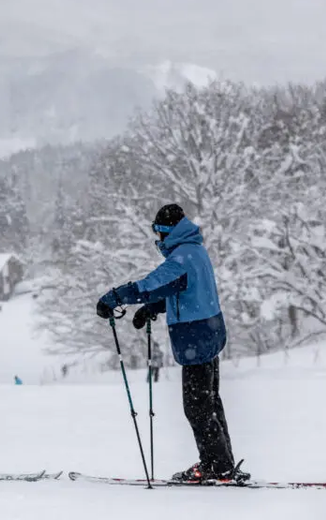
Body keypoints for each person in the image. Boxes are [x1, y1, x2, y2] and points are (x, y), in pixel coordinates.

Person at [95, 204, 249, 483]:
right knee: (210, 403)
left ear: (166, 232)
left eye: (158, 232)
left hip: (196, 339)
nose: (157, 238)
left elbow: (149, 286)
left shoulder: (181, 259)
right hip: (209, 332)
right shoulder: (195, 250)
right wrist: (153, 308)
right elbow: (186, 291)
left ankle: (217, 467)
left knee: (197, 408)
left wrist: (113, 298)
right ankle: (222, 462)